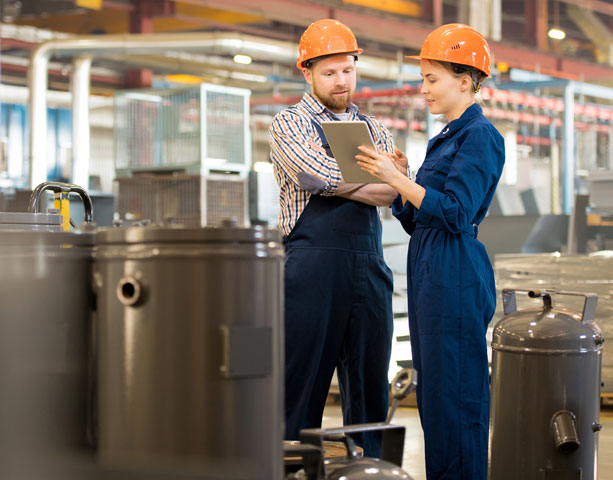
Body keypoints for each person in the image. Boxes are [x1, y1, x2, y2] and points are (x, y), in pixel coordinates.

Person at [355, 23, 505, 479]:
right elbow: (421, 217)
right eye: (423, 79)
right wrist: (403, 184)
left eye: (432, 79)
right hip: (429, 265)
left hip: (455, 272)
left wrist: (399, 179)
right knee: (437, 396)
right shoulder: (445, 137)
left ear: (465, 81)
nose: (423, 90)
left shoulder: (480, 136)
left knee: (458, 396)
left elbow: (457, 213)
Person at [269, 19, 400, 456]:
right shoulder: (290, 122)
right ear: (307, 72)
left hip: (369, 264)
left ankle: (370, 467)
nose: (340, 81)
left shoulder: (376, 128)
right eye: (329, 73)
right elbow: (309, 174)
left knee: (368, 383)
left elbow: (398, 188)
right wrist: (374, 180)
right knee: (300, 378)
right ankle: (292, 464)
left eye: (347, 70)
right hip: (312, 267)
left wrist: (350, 180)